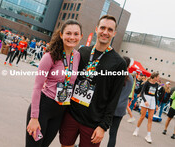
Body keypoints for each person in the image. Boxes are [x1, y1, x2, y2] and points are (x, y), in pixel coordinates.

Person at [59, 15, 126, 147]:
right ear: (96, 29)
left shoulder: (119, 63)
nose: (105, 32)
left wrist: (103, 126)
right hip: (71, 114)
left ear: (114, 33)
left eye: (109, 29)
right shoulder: (82, 52)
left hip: (94, 123)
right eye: (102, 28)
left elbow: (114, 98)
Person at [26, 19, 83, 147]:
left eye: (76, 34)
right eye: (68, 33)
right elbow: (37, 87)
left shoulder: (78, 56)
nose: (72, 37)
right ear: (61, 35)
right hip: (43, 108)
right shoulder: (50, 56)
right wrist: (34, 117)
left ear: (81, 36)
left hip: (60, 111)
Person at [107, 56, 133, 147]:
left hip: (110, 106)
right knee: (113, 133)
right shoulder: (131, 78)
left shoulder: (117, 74)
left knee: (96, 128)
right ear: (129, 65)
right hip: (121, 108)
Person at [133, 72, 159, 144]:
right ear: (155, 77)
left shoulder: (156, 84)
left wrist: (156, 104)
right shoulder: (147, 83)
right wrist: (145, 101)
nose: (159, 78)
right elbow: (142, 92)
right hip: (146, 99)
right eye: (158, 77)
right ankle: (136, 130)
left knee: (150, 119)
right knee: (142, 117)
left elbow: (156, 95)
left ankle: (148, 135)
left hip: (153, 100)